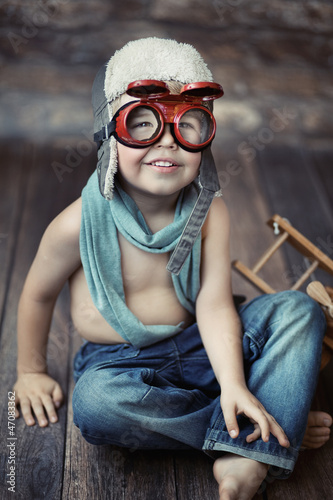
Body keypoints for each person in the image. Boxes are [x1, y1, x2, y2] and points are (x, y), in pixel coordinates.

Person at [13, 38, 332, 499]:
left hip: (206, 342)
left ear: (206, 136)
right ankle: (266, 435)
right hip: (122, 363)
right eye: (142, 126)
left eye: (187, 126)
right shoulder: (76, 223)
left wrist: (231, 379)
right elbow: (37, 294)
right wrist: (30, 371)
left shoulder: (209, 212)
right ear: (109, 135)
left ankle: (250, 417)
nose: (166, 141)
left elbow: (214, 302)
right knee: (97, 405)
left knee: (300, 310)